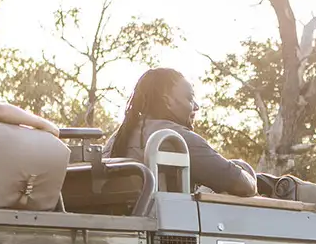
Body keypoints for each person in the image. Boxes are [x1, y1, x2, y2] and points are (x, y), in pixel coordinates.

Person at [108, 68, 256, 197]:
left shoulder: (117, 138)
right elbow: (244, 186)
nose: (196, 106)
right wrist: (249, 175)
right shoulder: (176, 139)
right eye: (190, 98)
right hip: (162, 225)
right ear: (167, 102)